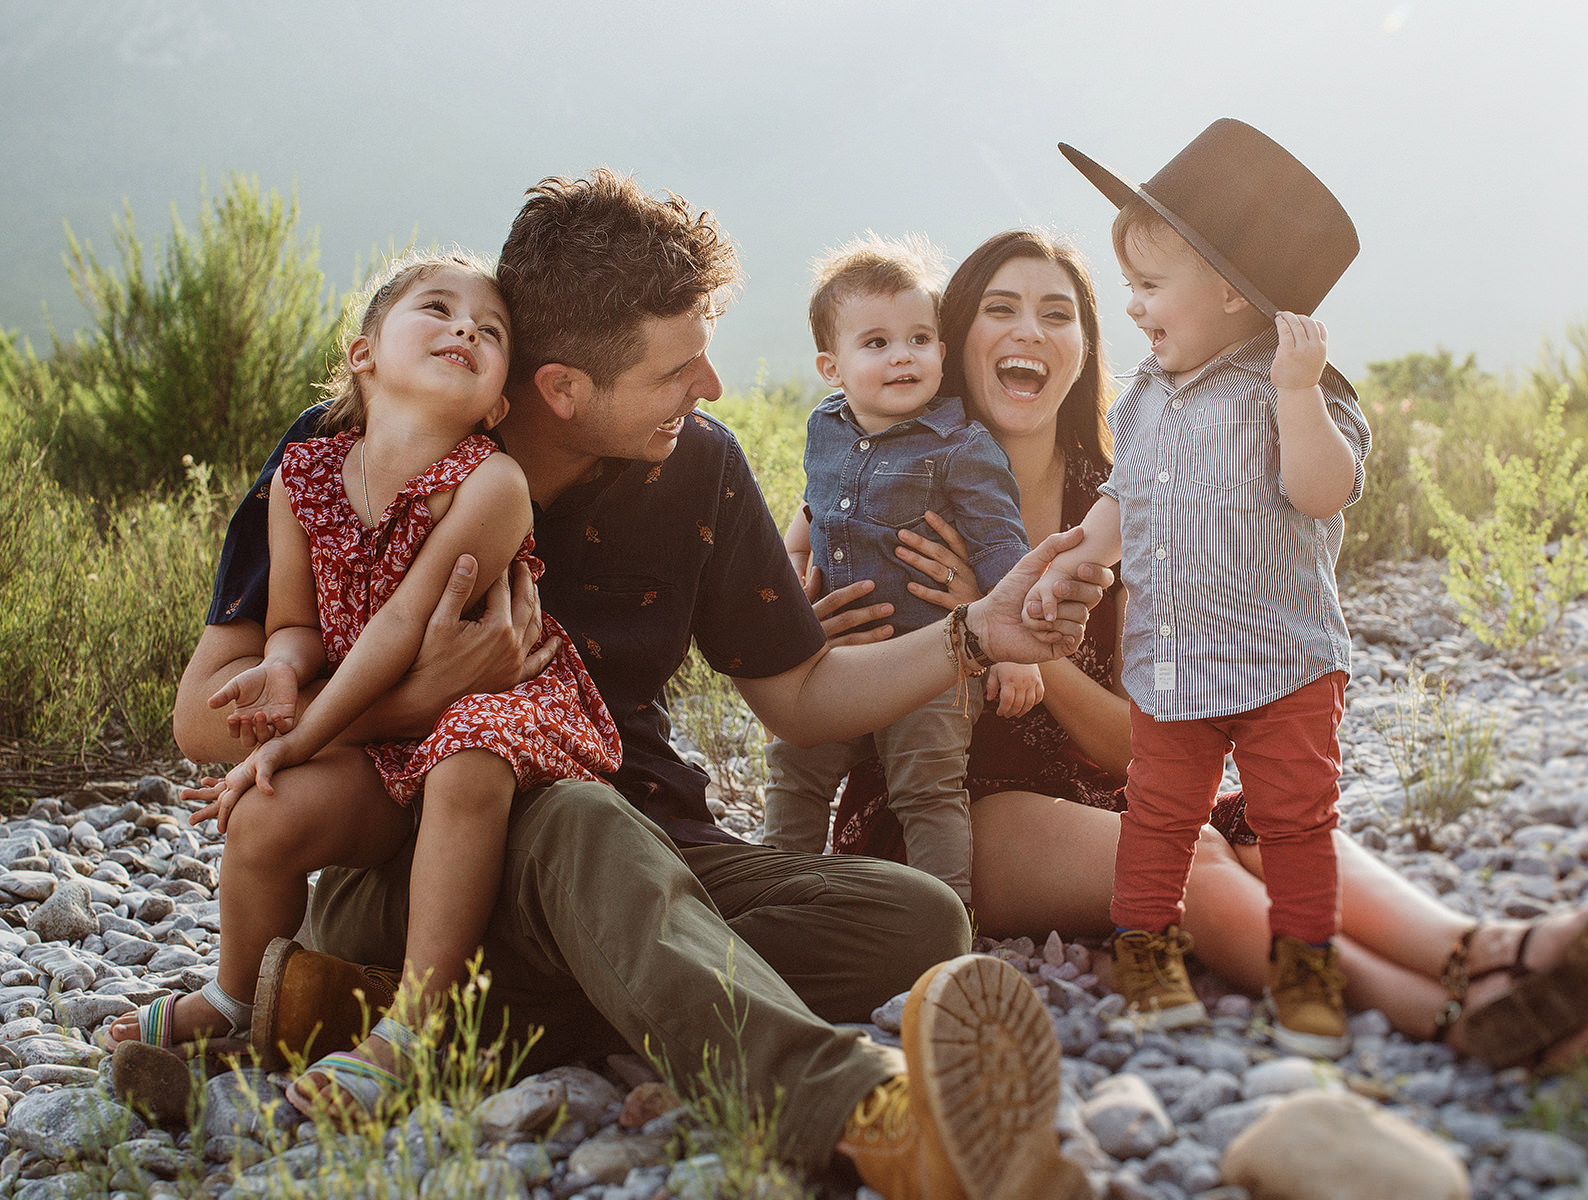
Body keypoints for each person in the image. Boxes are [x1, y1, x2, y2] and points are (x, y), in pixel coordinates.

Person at [163, 170, 1101, 1199]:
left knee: (918, 918)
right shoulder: (360, 443)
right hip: (419, 851)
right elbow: (204, 722)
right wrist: (421, 693)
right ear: (565, 388)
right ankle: (866, 1111)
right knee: (576, 820)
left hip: (656, 841)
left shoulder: (696, 463)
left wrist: (973, 634)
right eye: (677, 370)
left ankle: (376, 1015)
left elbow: (801, 692)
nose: (710, 387)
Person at [829, 226, 1588, 1073]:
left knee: (1255, 821)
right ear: (954, 340)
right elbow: (834, 688)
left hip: (1095, 781)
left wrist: (1032, 647)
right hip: (946, 806)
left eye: (1058, 314)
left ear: (1087, 347)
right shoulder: (898, 493)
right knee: (1189, 857)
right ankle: (1454, 1015)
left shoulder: (1130, 494)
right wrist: (974, 633)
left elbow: (1135, 740)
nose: (1030, 332)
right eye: (1000, 309)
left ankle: (1507, 949)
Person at [106, 251, 625, 1119]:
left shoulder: (492, 484)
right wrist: (278, 669)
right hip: (385, 728)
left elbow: (394, 633)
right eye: (437, 308)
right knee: (266, 814)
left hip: (491, 702)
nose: (465, 328)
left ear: (499, 403)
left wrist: (298, 738)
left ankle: (417, 1028)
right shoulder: (302, 477)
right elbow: (299, 625)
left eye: (489, 331)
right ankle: (238, 998)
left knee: (464, 757)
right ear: (363, 354)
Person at [1021, 122, 1369, 1053]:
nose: (1130, 307)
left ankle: (1304, 969)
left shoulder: (1296, 389)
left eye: (1146, 287)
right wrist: (1078, 556)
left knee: (1294, 823)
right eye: (1129, 286)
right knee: (1160, 814)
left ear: (1226, 290)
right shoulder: (1144, 395)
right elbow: (1124, 502)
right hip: (1171, 666)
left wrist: (1297, 393)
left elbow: (1320, 492)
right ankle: (1147, 951)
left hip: (1286, 663)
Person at [763, 235, 1038, 908]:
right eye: (877, 343)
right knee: (794, 766)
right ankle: (778, 898)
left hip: (932, 663)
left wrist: (1014, 649)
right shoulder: (825, 427)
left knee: (928, 790)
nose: (903, 356)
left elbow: (1002, 542)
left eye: (919, 338)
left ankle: (945, 921)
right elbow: (813, 511)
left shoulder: (961, 448)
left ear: (942, 354)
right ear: (833, 366)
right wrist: (796, 574)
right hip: (839, 662)